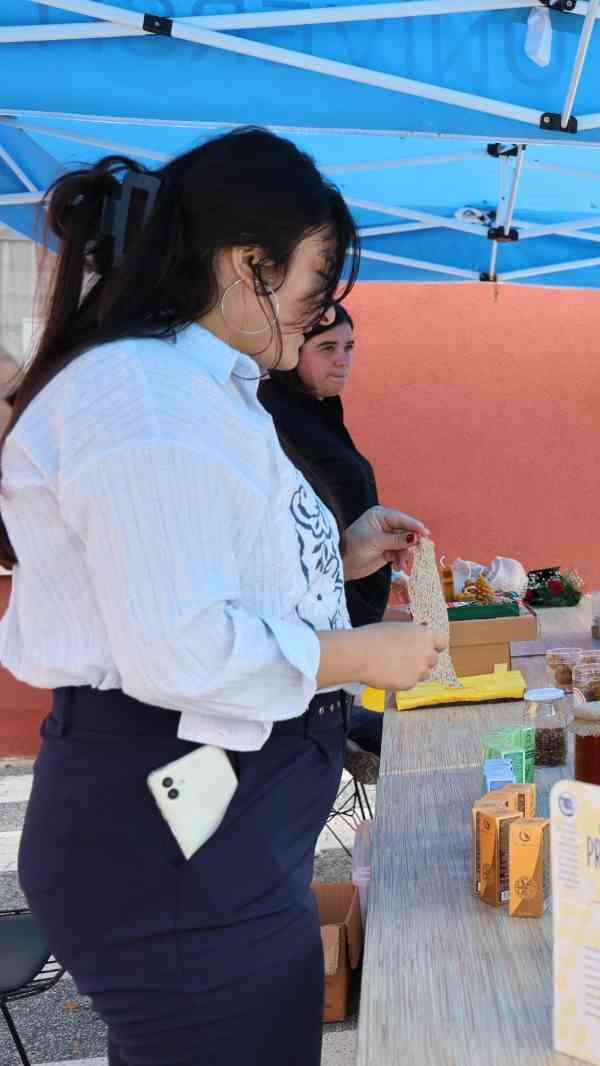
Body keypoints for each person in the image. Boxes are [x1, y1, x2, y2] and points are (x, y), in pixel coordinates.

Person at [0, 128, 447, 1064]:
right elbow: (179, 647)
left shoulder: (199, 387)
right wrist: (362, 656)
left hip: (210, 829)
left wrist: (342, 553)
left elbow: (209, 573)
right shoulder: (146, 393)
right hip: (173, 834)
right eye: (316, 284)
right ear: (249, 264)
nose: (321, 310)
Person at [259, 302, 390, 774]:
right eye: (327, 348)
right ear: (293, 350)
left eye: (350, 347)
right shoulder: (274, 417)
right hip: (309, 638)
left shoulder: (320, 413)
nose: (343, 360)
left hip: (343, 624)